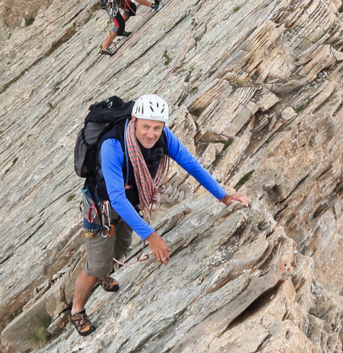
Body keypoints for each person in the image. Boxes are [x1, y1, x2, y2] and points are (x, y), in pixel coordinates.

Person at [70, 93, 246, 335]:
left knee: (120, 249)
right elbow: (117, 198)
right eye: (145, 126)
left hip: (129, 206)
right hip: (102, 208)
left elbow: (191, 164)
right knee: (97, 266)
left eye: (156, 127)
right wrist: (152, 236)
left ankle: (104, 275)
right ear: (133, 121)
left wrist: (224, 196)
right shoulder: (112, 145)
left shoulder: (164, 138)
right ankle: (77, 309)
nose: (150, 134)